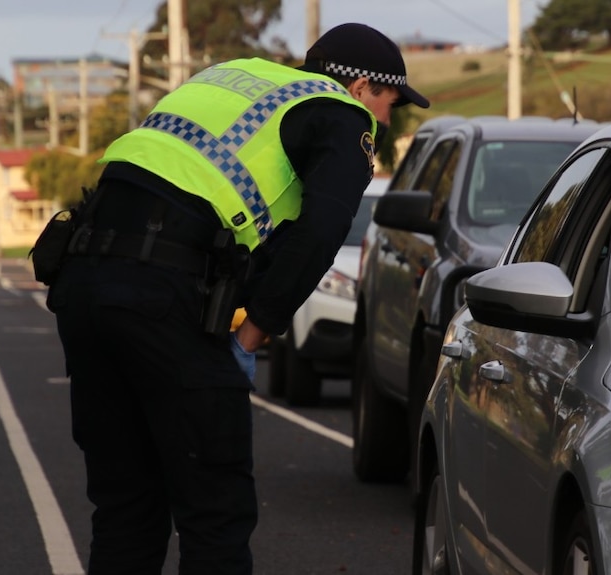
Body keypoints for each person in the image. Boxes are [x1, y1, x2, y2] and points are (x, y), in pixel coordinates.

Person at [44, 23, 428, 575]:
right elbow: (322, 230)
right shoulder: (341, 113)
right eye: (390, 103)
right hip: (166, 298)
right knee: (215, 515)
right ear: (362, 85)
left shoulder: (232, 75)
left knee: (126, 508)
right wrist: (255, 331)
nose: (386, 121)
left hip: (81, 281)